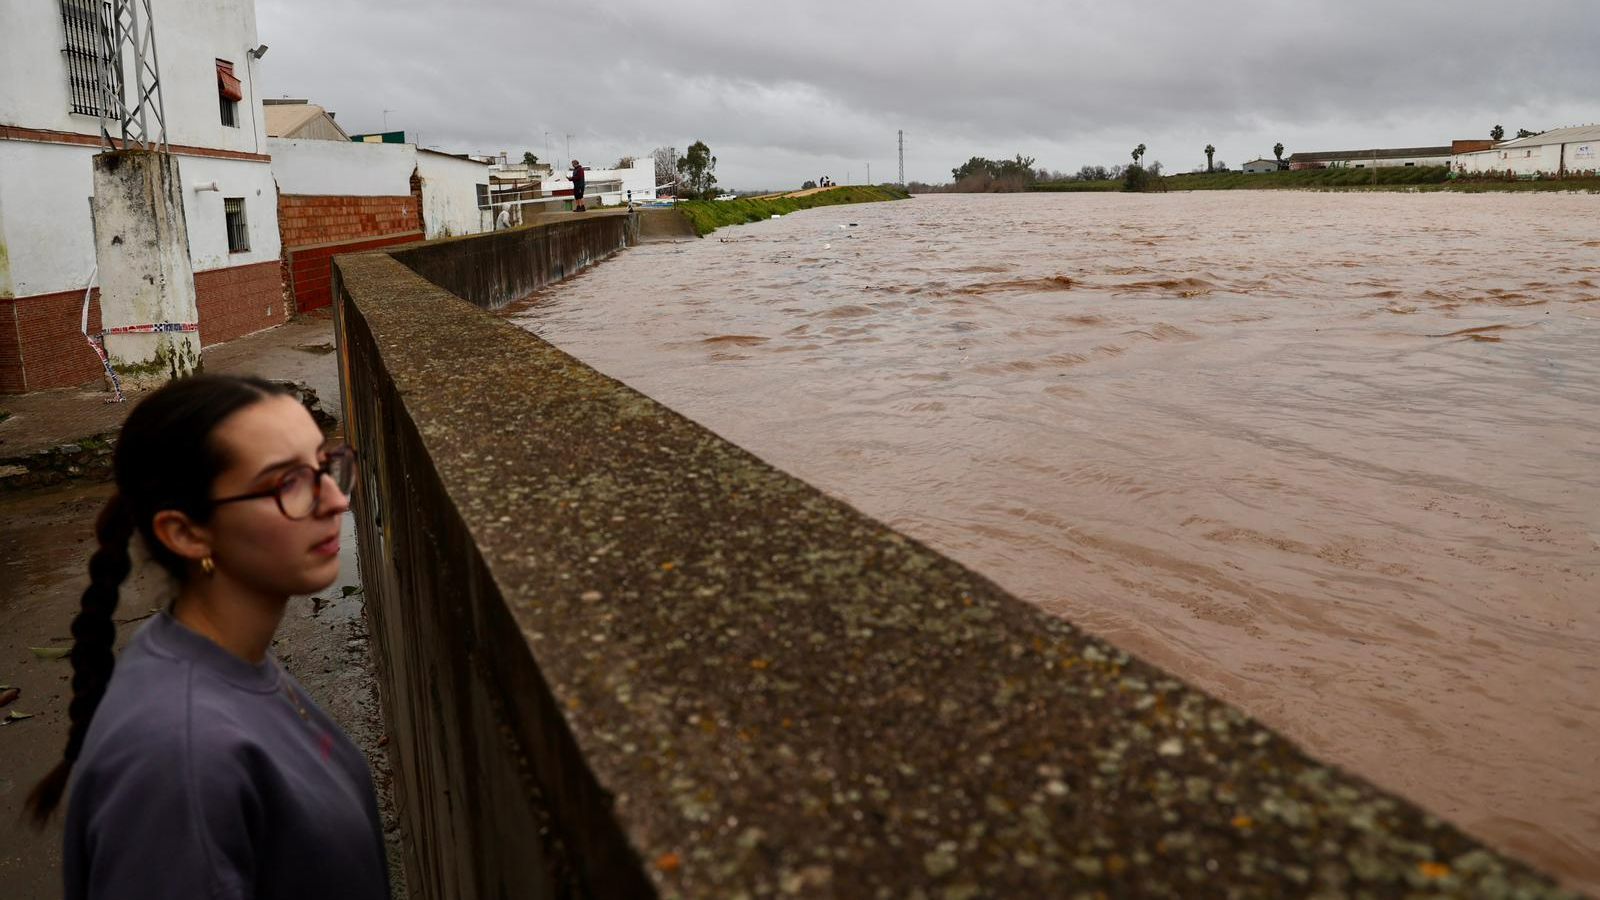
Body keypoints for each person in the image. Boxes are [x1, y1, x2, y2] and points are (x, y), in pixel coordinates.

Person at [25, 374, 389, 900]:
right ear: (187, 533)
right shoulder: (179, 759)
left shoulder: (224, 663)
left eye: (324, 465)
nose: (335, 500)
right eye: (287, 483)